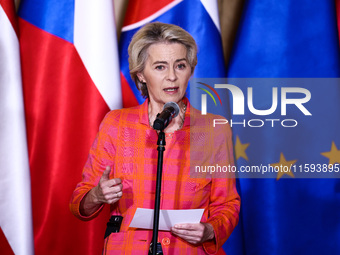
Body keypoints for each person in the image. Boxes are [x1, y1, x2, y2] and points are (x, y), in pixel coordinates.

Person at [70, 22, 240, 254]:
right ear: (141, 74)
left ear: (190, 70)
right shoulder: (116, 124)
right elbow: (80, 203)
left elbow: (227, 204)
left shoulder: (214, 130)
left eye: (180, 65)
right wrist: (98, 195)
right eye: (160, 67)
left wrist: (210, 230)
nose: (172, 76)